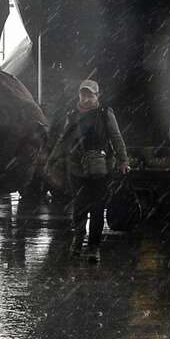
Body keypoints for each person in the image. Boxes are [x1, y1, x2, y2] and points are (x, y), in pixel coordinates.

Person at [51, 79, 129, 253]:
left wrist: (123, 160)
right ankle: (78, 241)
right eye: (83, 94)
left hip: (101, 169)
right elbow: (63, 140)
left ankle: (94, 246)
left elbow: (116, 137)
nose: (86, 98)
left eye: (90, 95)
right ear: (79, 95)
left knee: (97, 208)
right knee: (79, 207)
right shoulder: (72, 115)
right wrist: (52, 161)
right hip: (76, 168)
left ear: (97, 95)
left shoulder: (104, 113)